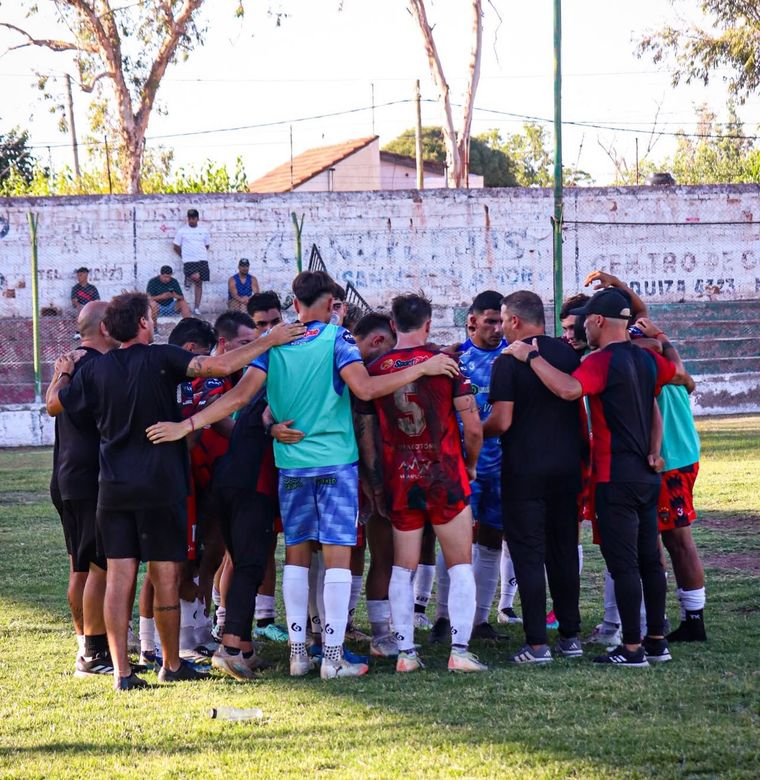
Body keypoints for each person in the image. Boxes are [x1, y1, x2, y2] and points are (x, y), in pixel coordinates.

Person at [146, 271, 461, 681]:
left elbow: (239, 398)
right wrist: (420, 370)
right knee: (335, 558)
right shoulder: (339, 340)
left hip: (291, 465)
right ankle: (332, 656)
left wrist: (188, 426)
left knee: (295, 555)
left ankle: (298, 655)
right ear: (332, 304)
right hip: (334, 462)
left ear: (295, 304)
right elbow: (365, 390)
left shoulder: (276, 343)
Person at [47, 291, 304, 690]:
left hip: (112, 487)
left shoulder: (94, 370)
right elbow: (218, 364)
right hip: (160, 485)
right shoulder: (161, 358)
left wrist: (63, 373)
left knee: (119, 577)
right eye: (152, 317)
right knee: (165, 575)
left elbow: (54, 406)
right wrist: (269, 339)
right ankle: (171, 663)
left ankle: (122, 672)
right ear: (144, 324)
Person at [504, 287, 689, 667]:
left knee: (624, 565)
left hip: (613, 476)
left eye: (585, 321)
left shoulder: (600, 361)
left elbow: (570, 389)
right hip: (646, 475)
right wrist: (655, 450)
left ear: (599, 321)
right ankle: (657, 642)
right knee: (650, 561)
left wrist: (532, 355)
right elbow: (672, 384)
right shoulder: (646, 359)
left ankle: (633, 649)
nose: (580, 330)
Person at [355, 293, 487, 674]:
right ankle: (459, 651)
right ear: (428, 324)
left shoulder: (376, 369)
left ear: (393, 325)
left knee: (402, 566)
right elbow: (474, 427)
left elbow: (365, 433)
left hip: (401, 475)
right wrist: (472, 465)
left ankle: (406, 654)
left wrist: (375, 480)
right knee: (460, 563)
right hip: (443, 473)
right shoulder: (445, 365)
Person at [483, 290, 583, 664]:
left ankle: (537, 644)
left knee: (528, 555)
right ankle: (571, 637)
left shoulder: (508, 360)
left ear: (515, 321)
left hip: (524, 471)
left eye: (504, 320)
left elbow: (502, 420)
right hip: (566, 469)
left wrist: (474, 429)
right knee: (562, 552)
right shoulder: (567, 354)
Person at [47, 301, 117, 676]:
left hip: (66, 476)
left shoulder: (69, 364)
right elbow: (54, 406)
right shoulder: (96, 367)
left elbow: (53, 403)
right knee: (97, 568)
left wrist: (60, 375)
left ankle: (85, 649)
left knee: (80, 568)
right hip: (91, 479)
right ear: (106, 327)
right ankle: (94, 654)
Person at [634, 317, 707, 643]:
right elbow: (680, 368)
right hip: (681, 457)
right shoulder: (669, 362)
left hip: (670, 462)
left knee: (674, 540)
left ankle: (685, 620)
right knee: (665, 539)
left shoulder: (649, 364)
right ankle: (672, 616)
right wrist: (660, 334)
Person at [458, 290, 509, 641]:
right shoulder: (456, 358)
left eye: (501, 321)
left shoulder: (513, 355)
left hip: (504, 466)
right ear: (473, 321)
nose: (497, 328)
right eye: (490, 321)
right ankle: (446, 618)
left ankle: (480, 619)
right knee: (457, 542)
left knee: (492, 538)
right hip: (464, 465)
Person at [173, 208, 211, 315]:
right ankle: (188, 277)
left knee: (199, 283)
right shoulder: (182, 231)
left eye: (193, 218)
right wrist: (184, 256)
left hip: (202, 260)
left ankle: (196, 308)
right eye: (189, 218)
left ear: (197, 218)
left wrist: (200, 253)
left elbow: (207, 245)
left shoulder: (203, 231)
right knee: (195, 277)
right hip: (189, 261)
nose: (191, 220)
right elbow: (175, 246)